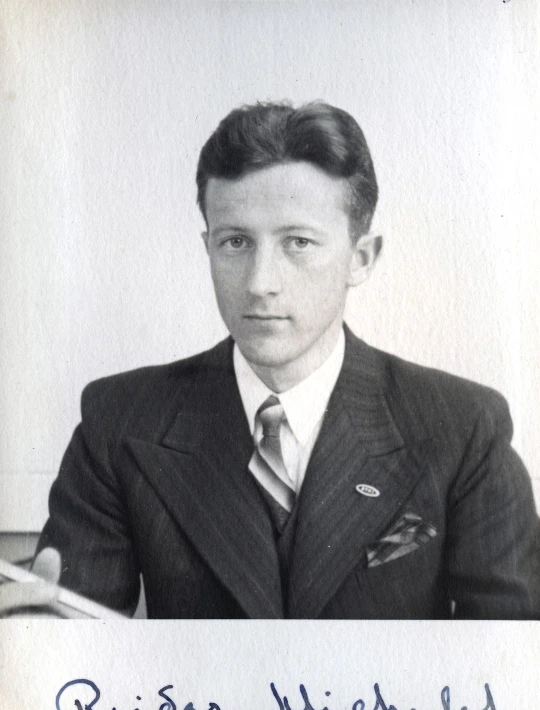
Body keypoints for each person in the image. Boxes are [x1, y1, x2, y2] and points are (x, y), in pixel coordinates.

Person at [9, 101, 540, 619]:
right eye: (236, 242)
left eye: (298, 243)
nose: (261, 283)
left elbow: (512, 664)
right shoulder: (120, 419)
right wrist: (29, 642)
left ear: (361, 258)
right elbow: (70, 638)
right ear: (208, 247)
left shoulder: (463, 427)